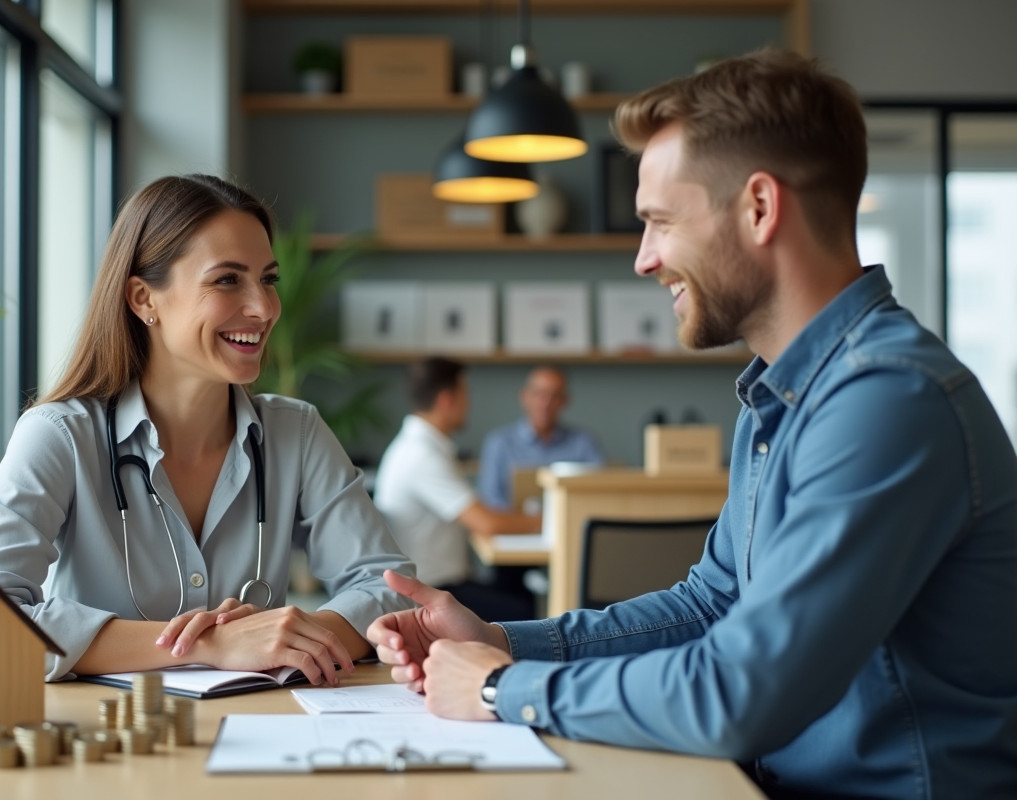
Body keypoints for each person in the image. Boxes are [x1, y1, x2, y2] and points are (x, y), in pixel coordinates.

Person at [367, 49, 1017, 800]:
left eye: (661, 222)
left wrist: (501, 688)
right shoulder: (786, 396)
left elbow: (741, 694)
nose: (643, 260)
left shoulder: (887, 402)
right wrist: (501, 640)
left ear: (761, 208)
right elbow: (708, 607)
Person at [0, 174, 416, 684]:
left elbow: (391, 588)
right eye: (227, 280)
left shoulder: (296, 433)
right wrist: (208, 645)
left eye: (268, 279)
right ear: (142, 299)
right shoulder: (60, 435)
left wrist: (292, 634)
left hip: (257, 732)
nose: (264, 308)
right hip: (110, 742)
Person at [373, 358, 541, 622]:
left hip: (438, 583)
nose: (469, 405)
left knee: (517, 586)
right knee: (530, 610)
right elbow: (487, 522)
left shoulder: (418, 446)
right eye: (466, 396)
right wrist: (550, 520)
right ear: (446, 400)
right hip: (431, 591)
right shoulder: (421, 455)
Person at [477, 366, 604, 511]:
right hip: (515, 530)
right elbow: (491, 501)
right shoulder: (499, 443)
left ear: (565, 400)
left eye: (554, 396)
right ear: (524, 396)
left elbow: (598, 495)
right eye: (539, 394)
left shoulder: (584, 443)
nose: (545, 403)